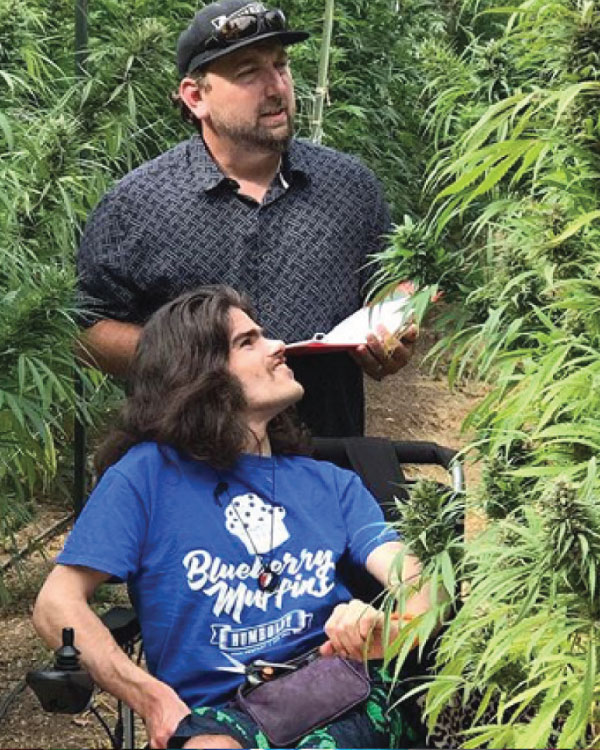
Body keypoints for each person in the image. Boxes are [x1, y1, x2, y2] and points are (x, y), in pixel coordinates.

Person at [34, 285, 432, 749]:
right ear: (199, 374)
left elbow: (418, 580)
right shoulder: (147, 475)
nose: (278, 346)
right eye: (248, 342)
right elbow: (56, 605)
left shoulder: (330, 484)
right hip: (220, 719)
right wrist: (152, 697)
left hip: (340, 693)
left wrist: (392, 628)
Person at [76, 0, 418, 438]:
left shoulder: (349, 185)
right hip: (192, 462)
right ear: (196, 96)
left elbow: (393, 284)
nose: (276, 87)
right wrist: (194, 354)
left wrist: (394, 329)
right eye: (248, 73)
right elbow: (86, 329)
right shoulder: (138, 205)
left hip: (327, 462)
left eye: (280, 65)